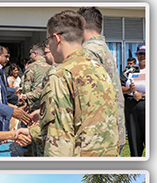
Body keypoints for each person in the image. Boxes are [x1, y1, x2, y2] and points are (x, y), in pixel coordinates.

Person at [29, 10, 118, 156]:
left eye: (48, 41)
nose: (49, 47)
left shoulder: (60, 76)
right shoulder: (99, 70)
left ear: (56, 38)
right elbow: (87, 117)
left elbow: (59, 144)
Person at [79, 7, 125, 152]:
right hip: (114, 130)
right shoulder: (103, 48)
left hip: (99, 136)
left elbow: (88, 97)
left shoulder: (88, 51)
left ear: (81, 26)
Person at [122, 44, 146, 157]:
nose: (142, 56)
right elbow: (118, 87)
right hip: (131, 110)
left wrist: (144, 96)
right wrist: (129, 89)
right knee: (134, 144)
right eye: (140, 54)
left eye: (145, 54)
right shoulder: (129, 70)